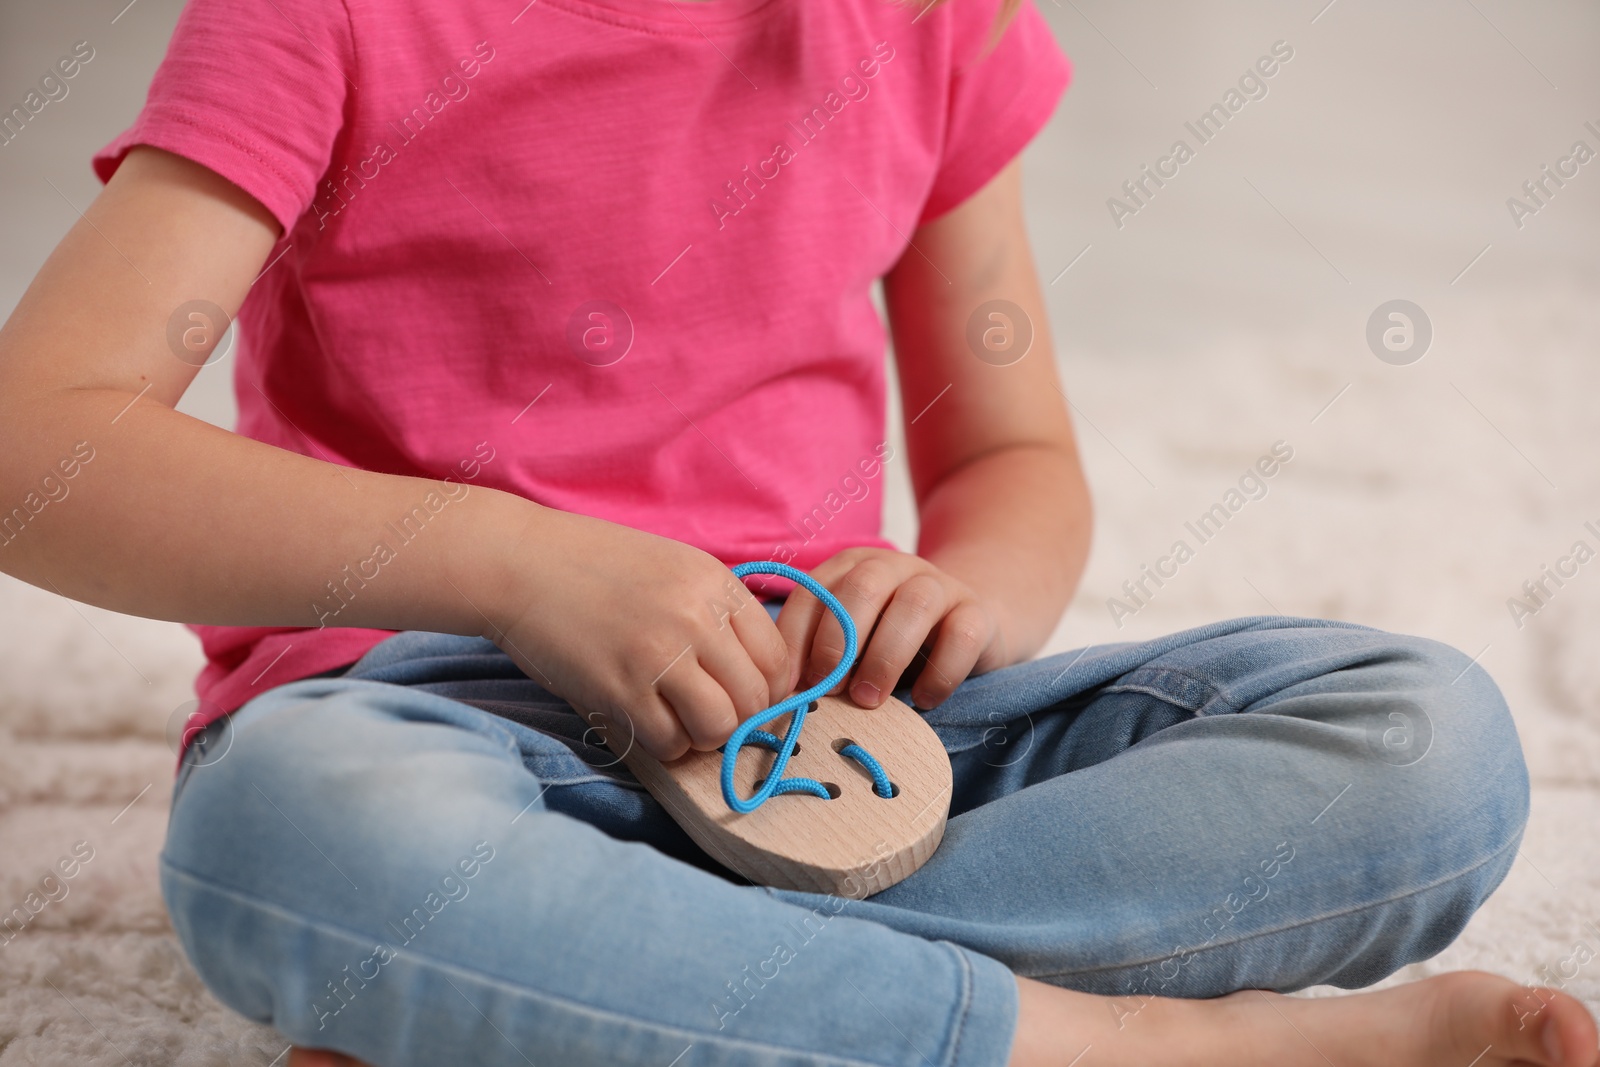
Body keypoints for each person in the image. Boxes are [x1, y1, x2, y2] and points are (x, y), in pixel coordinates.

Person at [0, 0, 1593, 1063]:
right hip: (439, 717)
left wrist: (959, 596)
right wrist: (519, 562)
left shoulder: (922, 21)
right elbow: (40, 445)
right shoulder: (321, 17)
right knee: (284, 828)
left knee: (1429, 743)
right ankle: (1121, 1048)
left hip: (840, 737)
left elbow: (1014, 455)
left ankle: (569, 986)